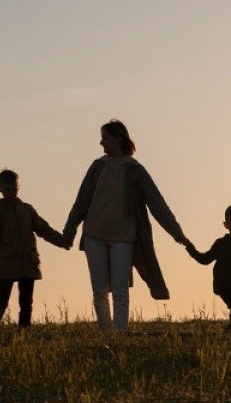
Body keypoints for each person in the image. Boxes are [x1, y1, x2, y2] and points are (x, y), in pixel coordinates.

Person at [62, 120, 192, 331]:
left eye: (105, 138)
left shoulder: (135, 170)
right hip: (94, 235)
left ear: (118, 139)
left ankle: (119, 334)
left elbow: (157, 204)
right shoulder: (97, 167)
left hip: (123, 237)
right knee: (99, 290)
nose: (101, 142)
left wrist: (178, 234)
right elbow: (81, 201)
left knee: (120, 289)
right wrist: (69, 232)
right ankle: (106, 335)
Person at [0, 168, 69, 328]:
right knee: (1, 300)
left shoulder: (27, 210)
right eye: (6, 189)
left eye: (13, 188)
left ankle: (24, 330)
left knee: (26, 302)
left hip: (28, 263)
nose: (10, 192)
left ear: (18, 187)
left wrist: (62, 241)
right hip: (6, 265)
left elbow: (43, 229)